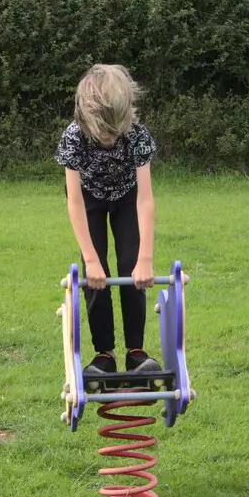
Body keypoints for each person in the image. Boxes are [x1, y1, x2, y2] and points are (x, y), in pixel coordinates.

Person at [56, 64, 162, 379]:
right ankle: (104, 354)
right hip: (89, 199)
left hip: (128, 197)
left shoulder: (137, 135)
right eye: (103, 132)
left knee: (131, 267)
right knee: (94, 275)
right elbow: (73, 201)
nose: (109, 138)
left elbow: (145, 198)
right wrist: (90, 260)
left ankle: (136, 352)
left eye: (114, 131)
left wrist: (146, 259)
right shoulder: (73, 137)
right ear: (87, 119)